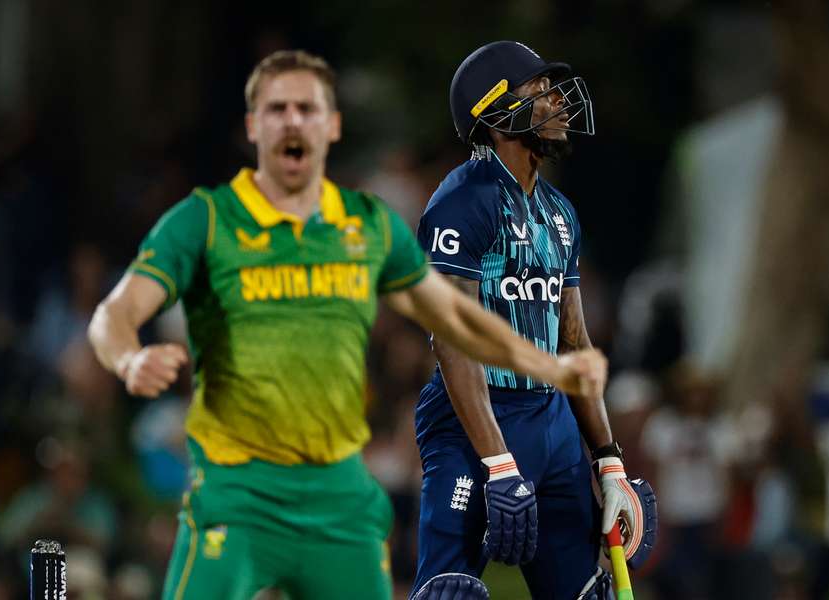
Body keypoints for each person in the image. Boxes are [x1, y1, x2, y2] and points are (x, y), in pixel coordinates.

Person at [87, 49, 607, 600]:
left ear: (332, 125)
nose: (294, 123)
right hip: (237, 489)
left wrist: (600, 451)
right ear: (251, 125)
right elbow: (113, 315)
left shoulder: (368, 225)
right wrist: (127, 356)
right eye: (278, 108)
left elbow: (462, 319)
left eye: (308, 109)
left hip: (336, 493)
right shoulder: (202, 221)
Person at [412, 41, 653, 599]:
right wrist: (498, 462)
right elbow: (454, 341)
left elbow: (573, 342)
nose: (560, 105)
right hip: (472, 419)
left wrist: (609, 461)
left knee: (587, 594)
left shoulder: (559, 213)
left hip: (552, 420)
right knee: (448, 593)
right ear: (497, 114)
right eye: (541, 93)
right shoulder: (461, 203)